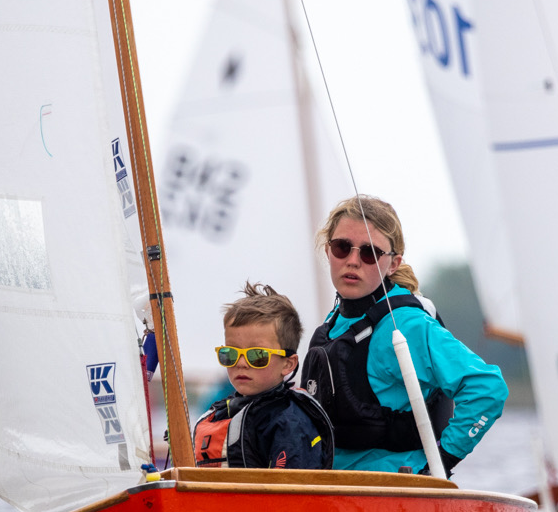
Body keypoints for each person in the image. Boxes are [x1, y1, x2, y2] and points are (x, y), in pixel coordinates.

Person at [301, 195, 507, 476]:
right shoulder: (333, 324)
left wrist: (440, 463)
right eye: (342, 247)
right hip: (331, 486)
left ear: (393, 264)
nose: (352, 261)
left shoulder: (405, 325)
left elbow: (487, 387)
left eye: (369, 253)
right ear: (328, 252)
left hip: (393, 490)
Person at [192, 282, 334, 469]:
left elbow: (292, 494)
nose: (241, 363)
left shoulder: (289, 424)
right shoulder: (221, 413)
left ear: (288, 364)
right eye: (230, 354)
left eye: (257, 355)